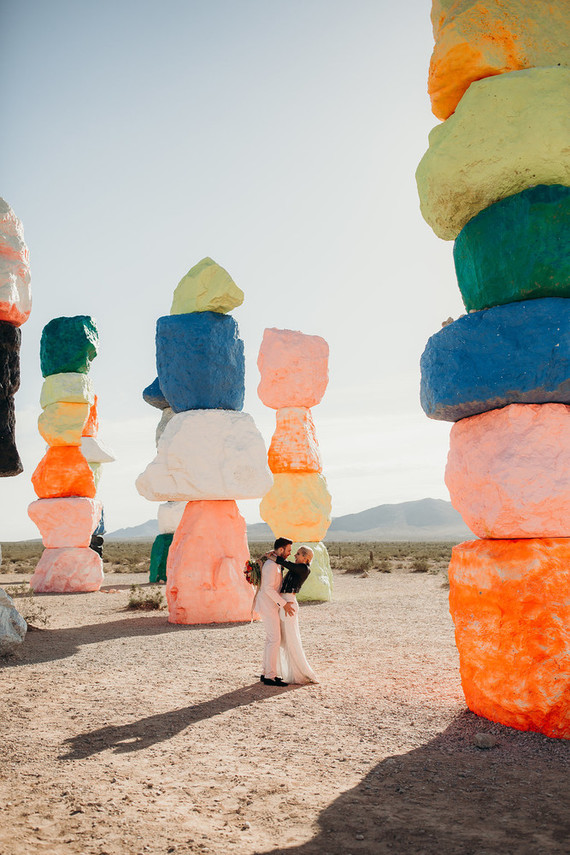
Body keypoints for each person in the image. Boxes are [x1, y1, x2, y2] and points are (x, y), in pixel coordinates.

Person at [255, 538, 296, 686]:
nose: (290, 554)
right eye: (288, 550)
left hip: (269, 605)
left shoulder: (274, 564)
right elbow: (267, 588)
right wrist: (283, 604)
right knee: (274, 639)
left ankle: (266, 672)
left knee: (270, 639)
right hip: (268, 606)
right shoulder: (271, 566)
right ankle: (270, 676)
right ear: (280, 550)